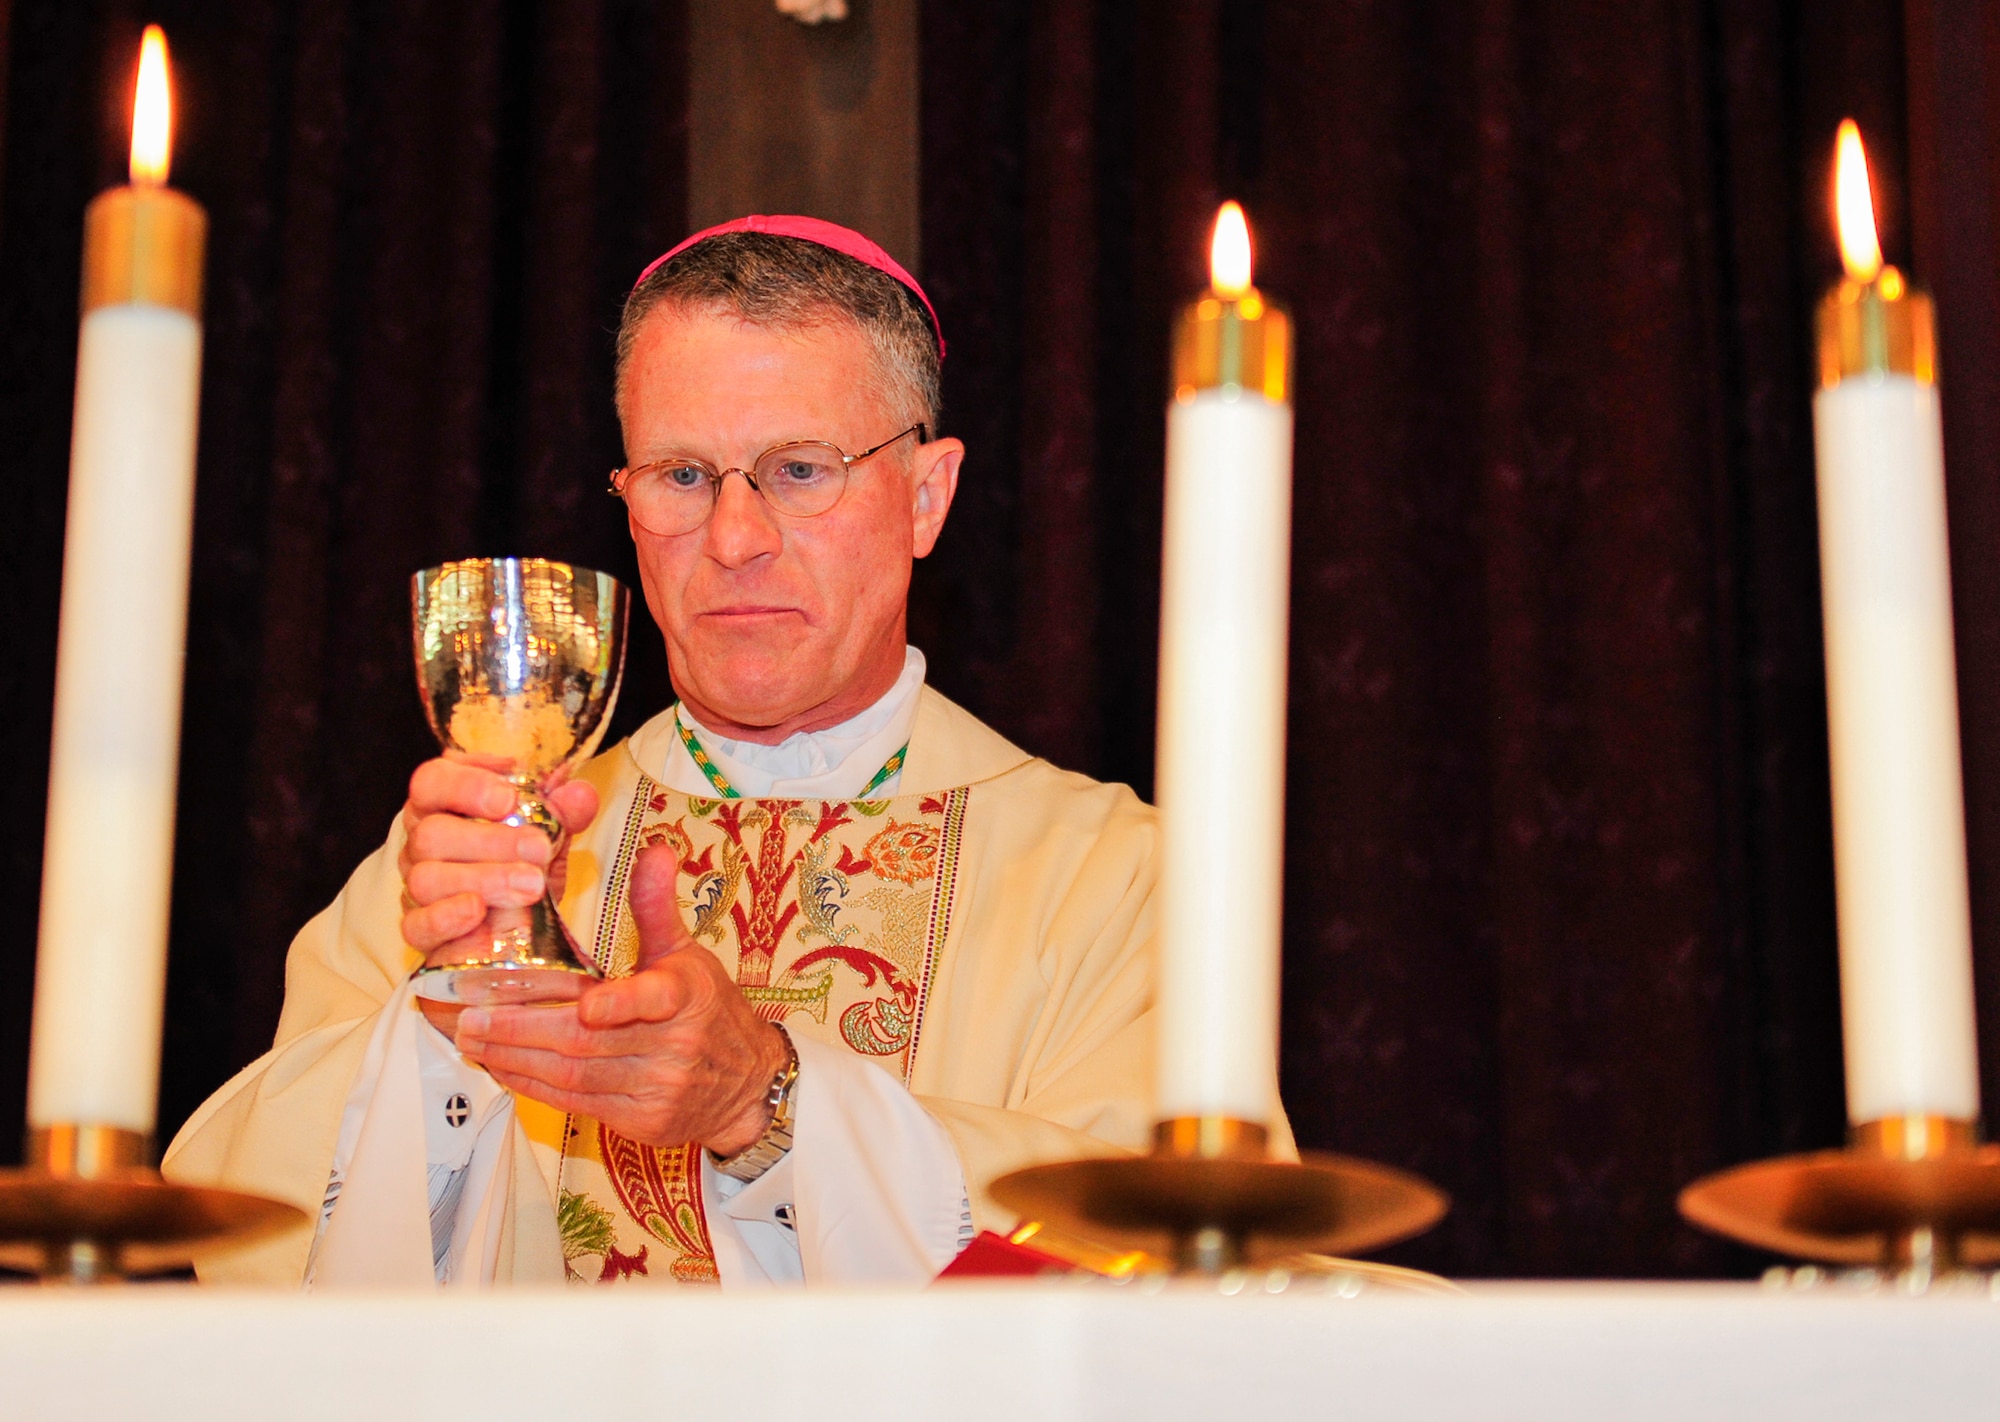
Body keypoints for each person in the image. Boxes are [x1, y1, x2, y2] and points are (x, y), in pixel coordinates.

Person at [164, 215, 1290, 1287]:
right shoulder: (489, 854)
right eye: (681, 476)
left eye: (800, 469)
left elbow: (1172, 1277)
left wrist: (771, 1106)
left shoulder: (1116, 879)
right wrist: (447, 1030)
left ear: (926, 497)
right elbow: (257, 1267)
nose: (735, 539)